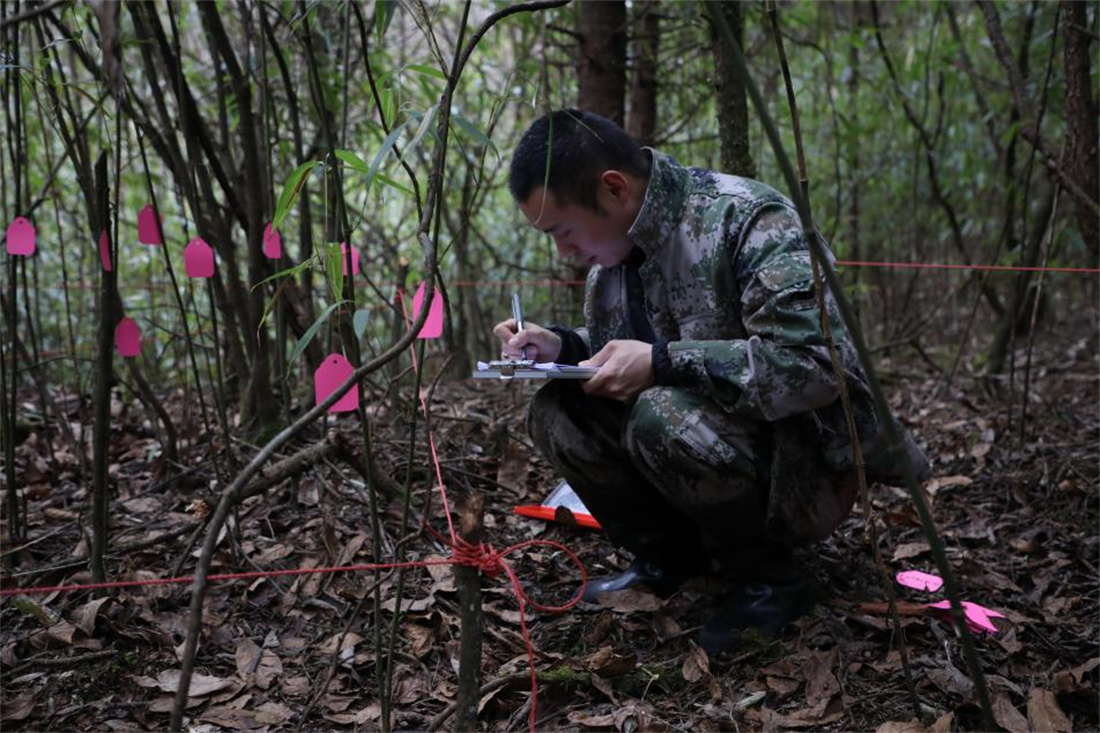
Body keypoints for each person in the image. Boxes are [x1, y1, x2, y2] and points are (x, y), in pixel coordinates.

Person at [493, 109, 929, 656]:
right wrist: (563, 347)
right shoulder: (614, 258)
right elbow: (633, 342)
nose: (564, 252)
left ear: (613, 189)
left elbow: (817, 366)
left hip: (804, 468)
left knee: (661, 414)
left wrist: (663, 362)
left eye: (564, 231)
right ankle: (668, 563)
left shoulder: (748, 216)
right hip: (702, 448)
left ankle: (769, 580)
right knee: (556, 411)